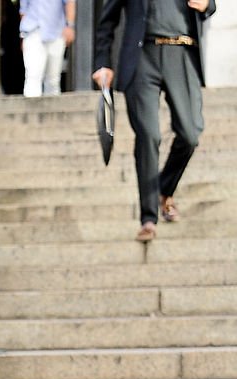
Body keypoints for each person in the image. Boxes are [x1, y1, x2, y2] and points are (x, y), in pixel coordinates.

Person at [93, 0, 216, 242]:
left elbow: (210, 6)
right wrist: (102, 62)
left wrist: (208, 5)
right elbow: (107, 20)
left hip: (182, 52)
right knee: (149, 135)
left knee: (190, 134)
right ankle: (148, 218)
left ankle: (162, 190)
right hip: (142, 57)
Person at [19, 0, 76, 98]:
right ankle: (32, 112)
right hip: (33, 32)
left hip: (56, 32)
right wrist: (24, 36)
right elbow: (23, 11)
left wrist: (69, 26)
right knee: (33, 77)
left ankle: (53, 112)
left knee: (53, 80)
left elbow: (70, 2)